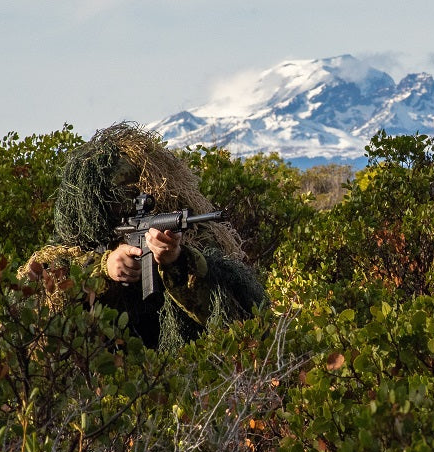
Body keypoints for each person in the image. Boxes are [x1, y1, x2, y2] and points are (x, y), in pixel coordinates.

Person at [22, 123, 266, 352]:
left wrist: (176, 262)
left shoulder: (196, 236)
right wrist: (104, 267)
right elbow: (34, 289)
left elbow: (233, 319)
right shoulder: (78, 239)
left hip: (172, 364)